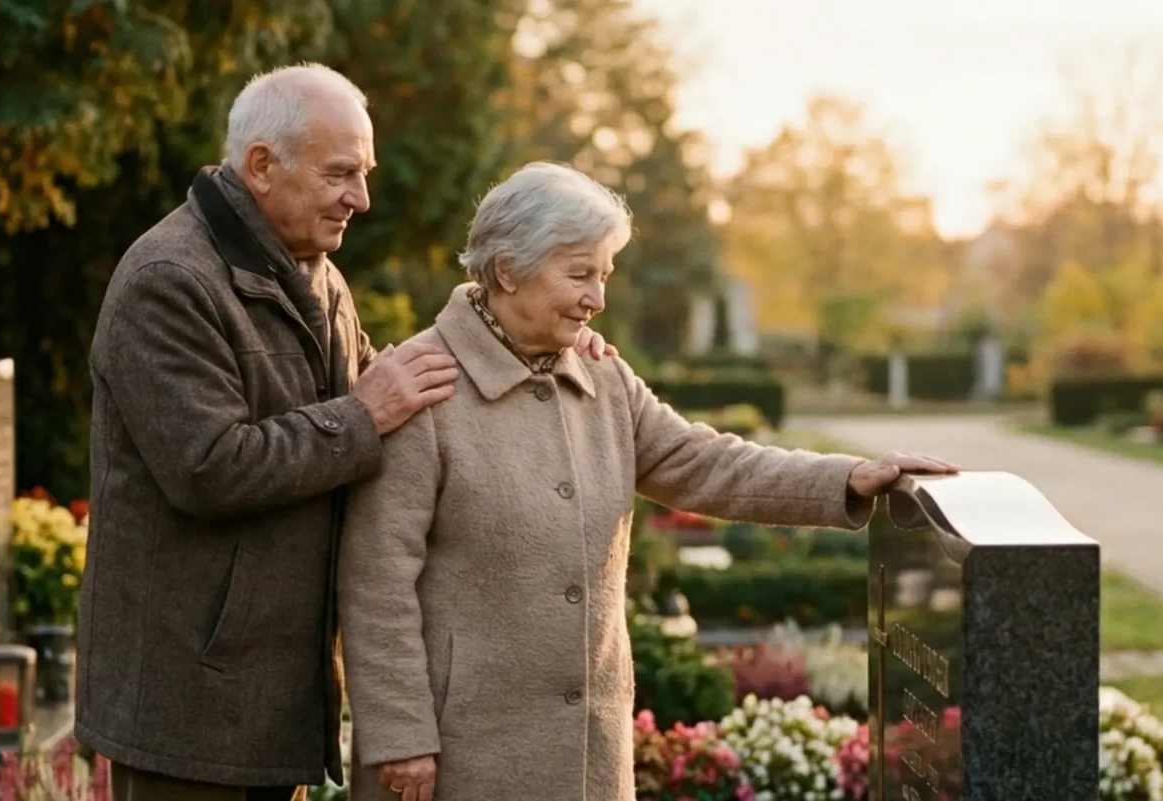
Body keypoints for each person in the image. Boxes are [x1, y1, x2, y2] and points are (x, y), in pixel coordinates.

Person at [336, 162, 958, 801]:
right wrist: (401, 737)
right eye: (579, 274)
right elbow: (376, 581)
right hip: (457, 757)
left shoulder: (603, 378)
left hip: (589, 755)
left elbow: (710, 464)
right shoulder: (420, 387)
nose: (597, 298)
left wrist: (849, 477)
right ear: (506, 270)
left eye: (604, 275)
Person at [79, 66, 612, 801]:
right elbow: (208, 468)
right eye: (341, 174)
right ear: (262, 166)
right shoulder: (168, 280)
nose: (361, 198)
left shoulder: (317, 273)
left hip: (270, 698)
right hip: (190, 709)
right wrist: (360, 416)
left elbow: (399, 392)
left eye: (363, 174)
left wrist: (547, 337)